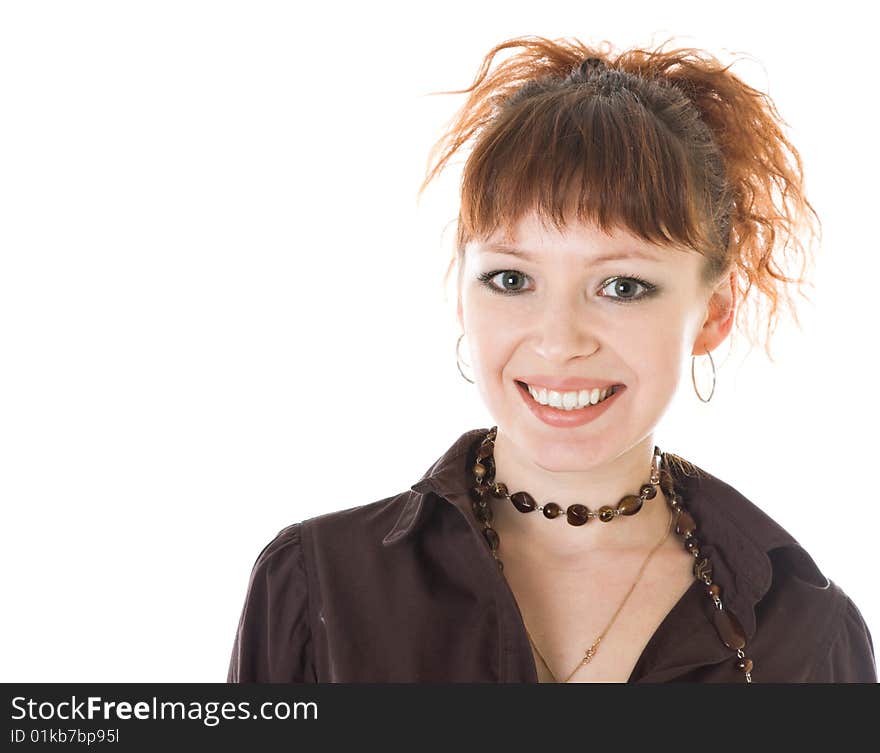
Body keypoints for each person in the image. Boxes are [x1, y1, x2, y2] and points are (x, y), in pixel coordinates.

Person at [226, 35, 877, 683]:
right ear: (461, 291)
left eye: (621, 286)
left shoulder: (806, 634)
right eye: (512, 279)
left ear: (713, 313)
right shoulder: (317, 589)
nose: (559, 340)